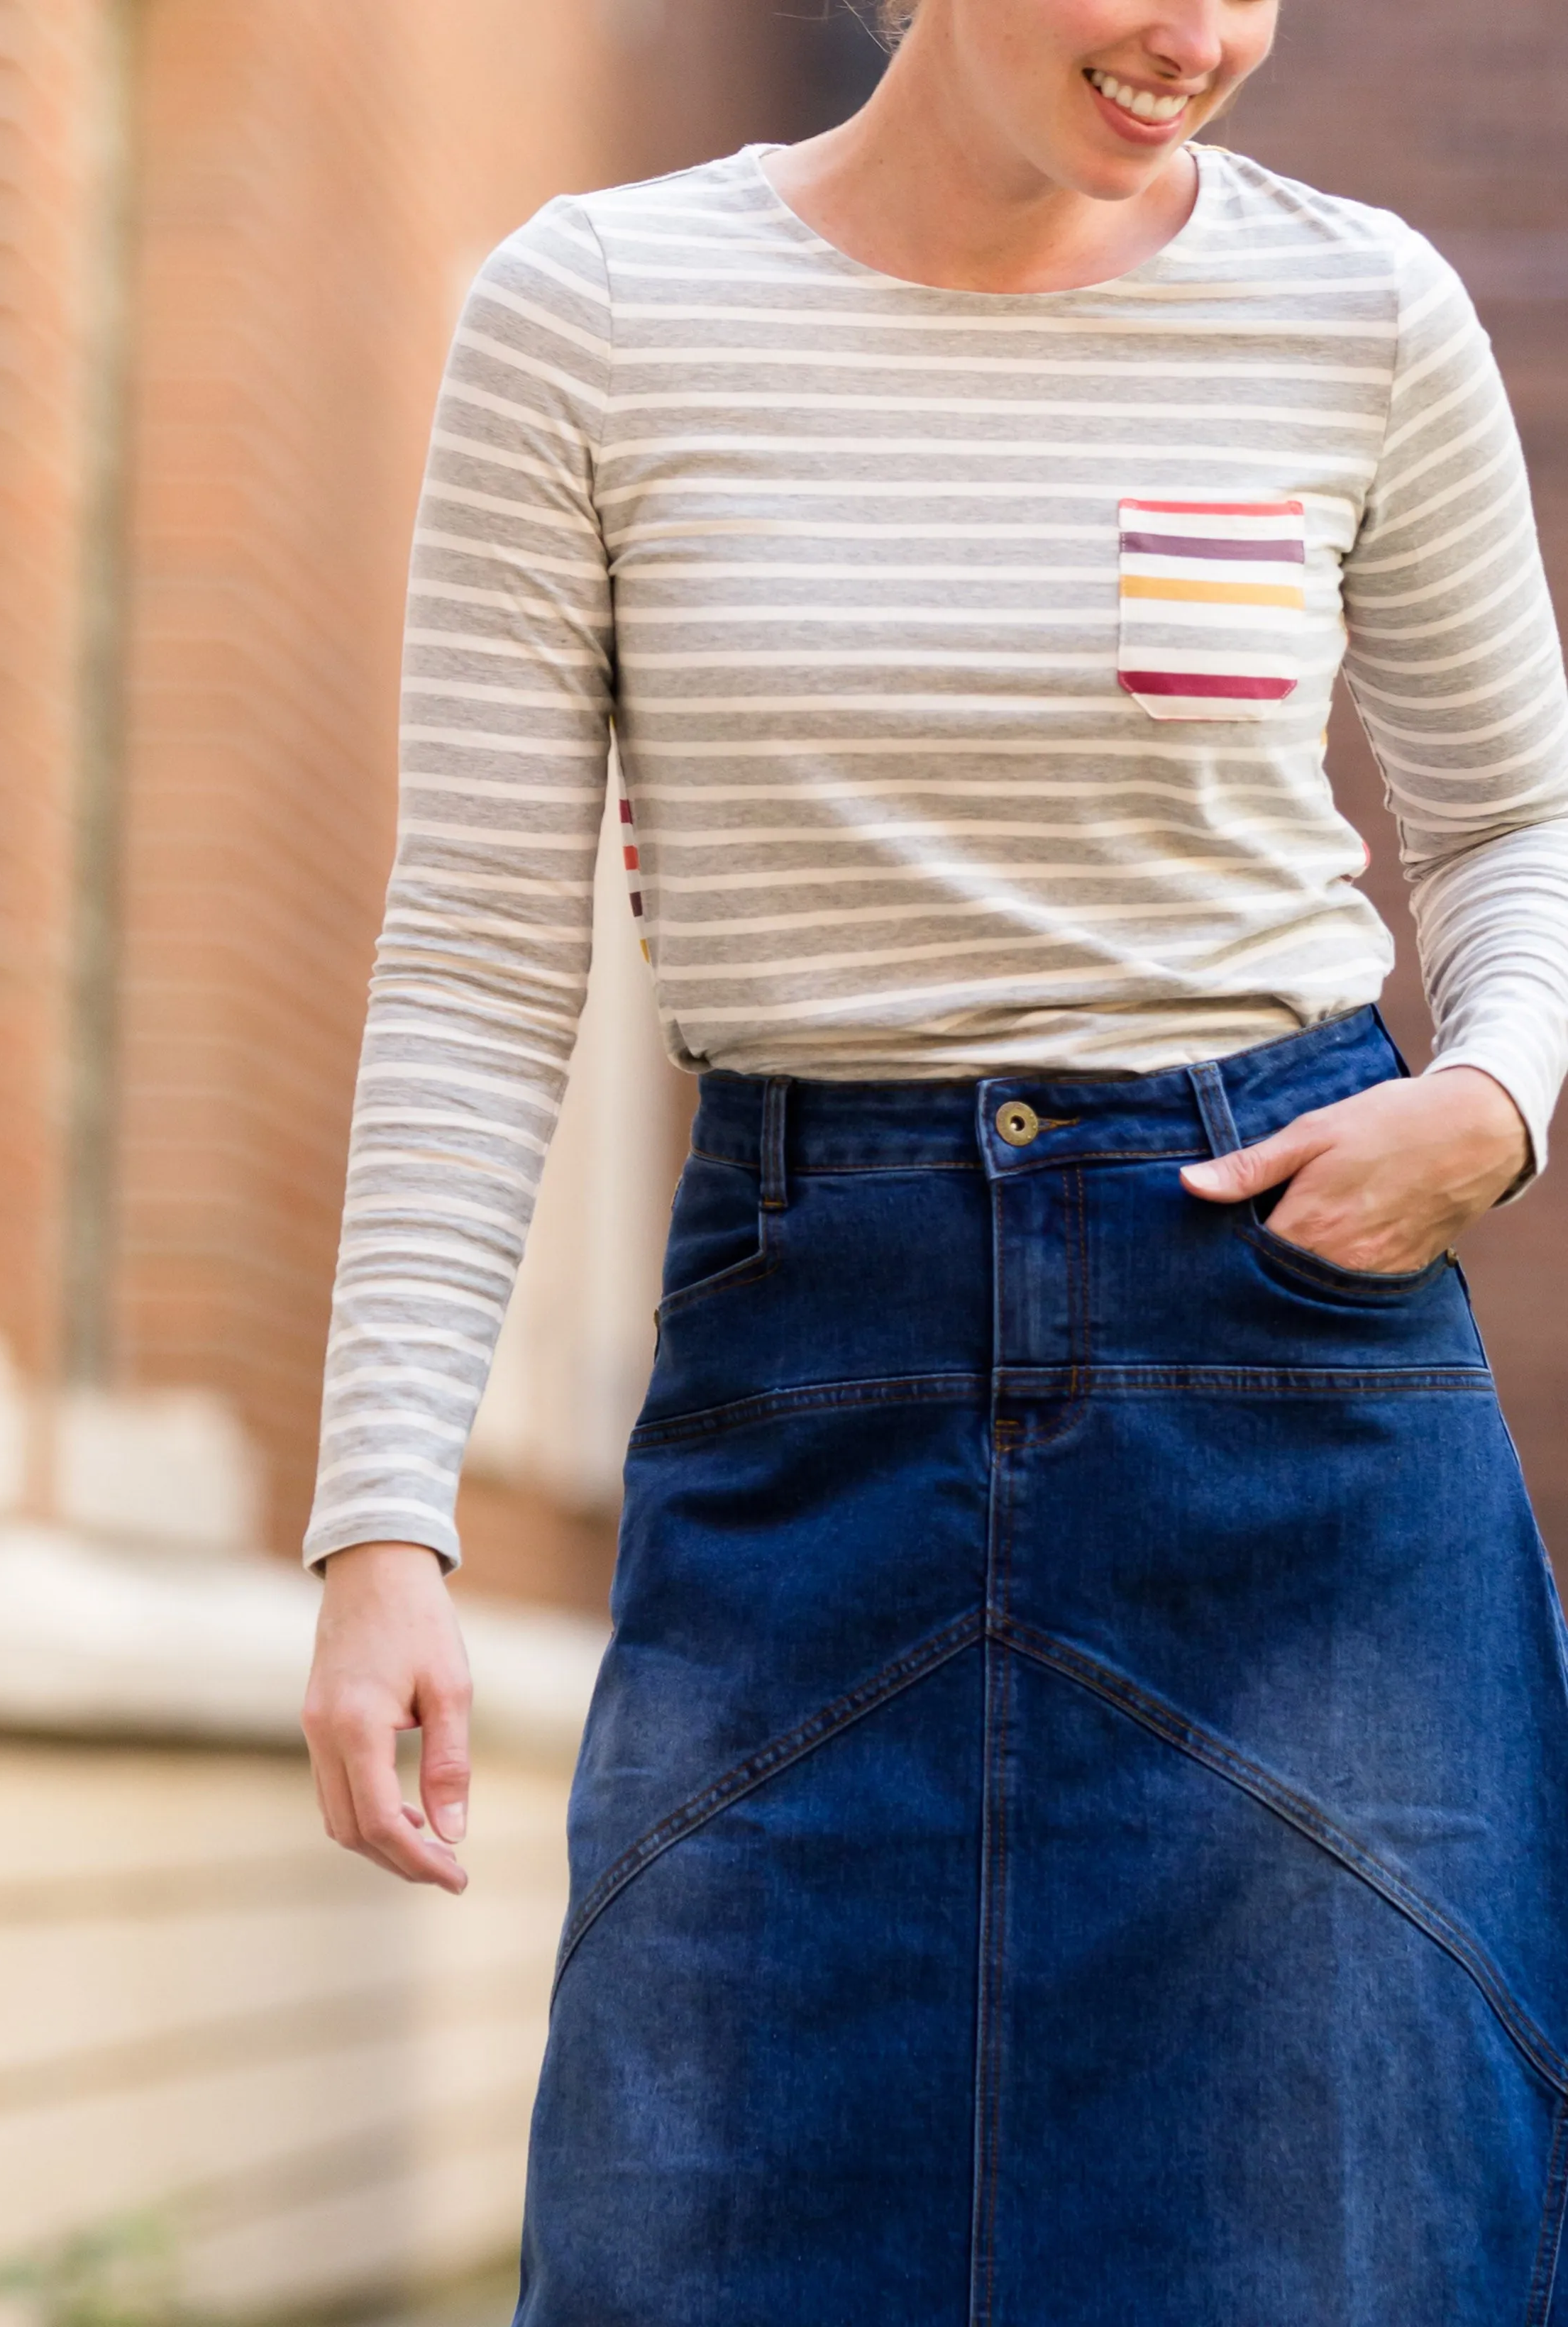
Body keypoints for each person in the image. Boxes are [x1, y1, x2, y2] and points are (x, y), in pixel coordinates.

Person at [301, 0, 1568, 2316]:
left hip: (1277, 1358)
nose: (1199, 33)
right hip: (817, 1348)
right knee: (714, 2239)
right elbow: (482, 953)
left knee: (1328, 2237)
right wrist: (385, 1517)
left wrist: (1489, 1102)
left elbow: (1506, 825)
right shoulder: (596, 314)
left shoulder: (1355, 306)